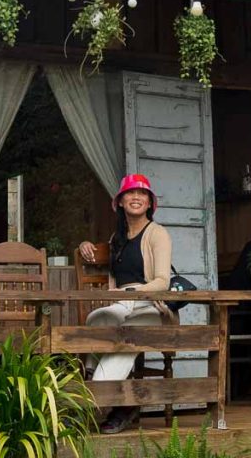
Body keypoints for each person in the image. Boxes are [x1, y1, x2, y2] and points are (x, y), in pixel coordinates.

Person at [78, 173, 176, 434]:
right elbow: (94, 255)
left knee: (127, 337)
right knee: (96, 319)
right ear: (120, 202)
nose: (136, 197)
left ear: (150, 203)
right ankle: (118, 401)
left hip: (150, 306)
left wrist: (135, 292)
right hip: (120, 304)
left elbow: (163, 281)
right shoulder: (116, 238)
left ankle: (96, 397)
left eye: (142, 194)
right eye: (130, 193)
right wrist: (84, 244)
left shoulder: (157, 233)